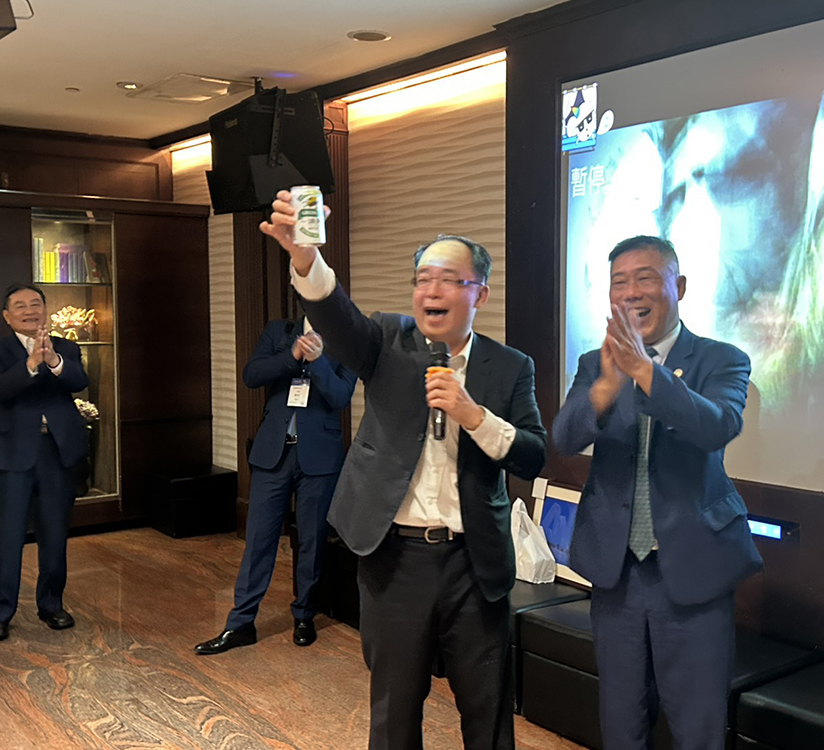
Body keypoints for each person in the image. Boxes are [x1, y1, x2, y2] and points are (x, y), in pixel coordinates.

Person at [260, 192, 547, 750]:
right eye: (422, 279)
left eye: (449, 280)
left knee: (487, 713)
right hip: (395, 559)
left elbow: (533, 455)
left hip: (475, 562)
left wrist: (474, 415)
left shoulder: (511, 367)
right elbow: (336, 318)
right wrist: (305, 258)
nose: (431, 291)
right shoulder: (386, 340)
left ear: (480, 294)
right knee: (393, 713)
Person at [552, 236, 763, 750]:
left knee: (697, 729)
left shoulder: (722, 359)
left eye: (645, 278)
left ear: (679, 286)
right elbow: (563, 438)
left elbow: (716, 426)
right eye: (619, 282)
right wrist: (606, 386)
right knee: (621, 724)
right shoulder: (594, 363)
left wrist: (646, 372)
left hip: (693, 569)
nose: (631, 293)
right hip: (617, 574)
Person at [195, 315, 356, 654]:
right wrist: (293, 355)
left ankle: (305, 615)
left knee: (312, 541)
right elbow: (252, 375)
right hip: (273, 453)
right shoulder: (279, 332)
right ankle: (241, 623)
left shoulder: (347, 337)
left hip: (319, 458)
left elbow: (341, 395)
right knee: (258, 541)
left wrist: (317, 360)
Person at [0, 283, 89, 642]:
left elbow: (79, 381)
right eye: (20, 305)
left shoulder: (65, 347)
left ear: (45, 310)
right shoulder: (2, 350)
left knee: (54, 532)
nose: (29, 310)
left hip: (57, 451)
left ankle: (51, 604)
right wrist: (31, 364)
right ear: (7, 316)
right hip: (13, 453)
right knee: (8, 536)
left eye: (35, 303)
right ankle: (2, 611)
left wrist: (52, 360)